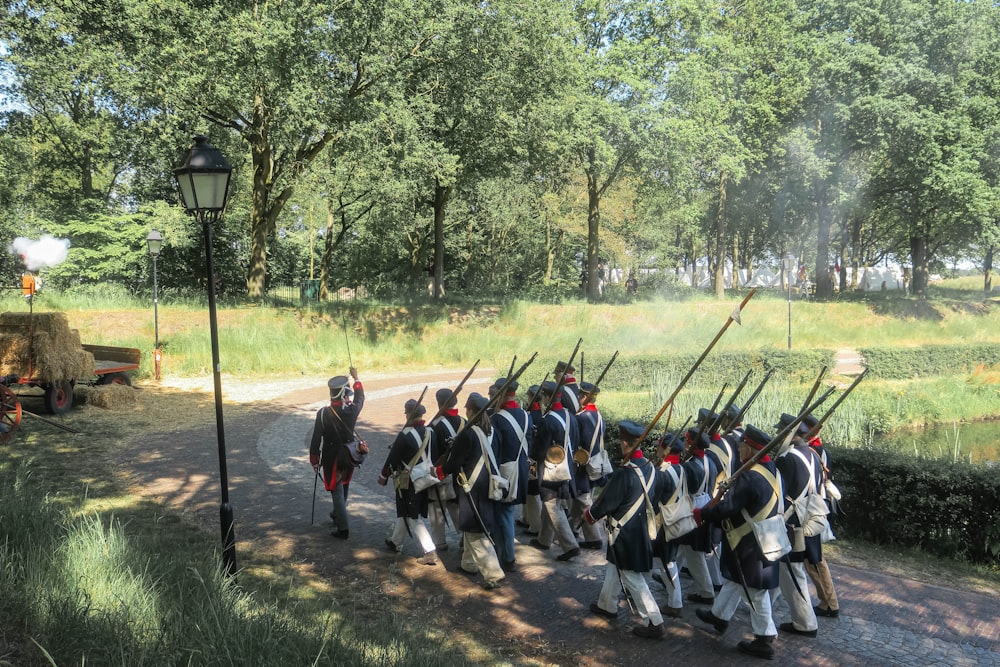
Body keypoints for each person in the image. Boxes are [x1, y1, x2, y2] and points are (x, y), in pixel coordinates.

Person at [694, 424, 781, 660]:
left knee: (754, 591)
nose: (739, 449)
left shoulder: (750, 477)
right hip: (762, 536)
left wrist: (703, 514)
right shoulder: (770, 469)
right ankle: (719, 616)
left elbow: (727, 508)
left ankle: (764, 639)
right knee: (736, 579)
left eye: (742, 446)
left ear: (750, 450)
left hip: (748, 541)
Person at [585, 420, 665, 639]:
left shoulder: (625, 473)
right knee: (615, 566)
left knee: (631, 578)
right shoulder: (650, 467)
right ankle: (607, 605)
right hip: (639, 528)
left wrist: (591, 514)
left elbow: (609, 501)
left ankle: (654, 621)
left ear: (624, 443)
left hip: (624, 532)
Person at [437, 393, 506, 590]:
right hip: (486, 485)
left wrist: (439, 470)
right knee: (470, 527)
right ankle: (468, 564)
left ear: (471, 410)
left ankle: (493, 574)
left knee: (476, 532)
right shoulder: (488, 431)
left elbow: (453, 464)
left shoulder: (467, 434)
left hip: (472, 488)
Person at [773, 413, 821, 639]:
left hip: (792, 521)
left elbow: (779, 492)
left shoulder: (786, 458)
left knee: (792, 572)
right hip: (808, 517)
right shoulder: (812, 454)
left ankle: (805, 622)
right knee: (783, 567)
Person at [377, 398, 438, 565]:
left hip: (410, 480)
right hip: (427, 478)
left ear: (409, 415)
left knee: (413, 516)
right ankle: (395, 542)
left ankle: (430, 550)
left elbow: (393, 459)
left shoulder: (404, 436)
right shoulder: (431, 432)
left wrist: (383, 477)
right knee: (406, 510)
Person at [309, 368, 365, 539]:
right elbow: (360, 398)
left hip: (331, 457)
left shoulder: (323, 413)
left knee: (337, 491)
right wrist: (357, 378)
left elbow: (316, 439)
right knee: (344, 484)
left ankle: (343, 528)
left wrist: (314, 459)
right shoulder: (352, 410)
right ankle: (337, 514)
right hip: (349, 454)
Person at [529, 380, 581, 561]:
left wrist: (532, 463)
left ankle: (570, 545)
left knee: (552, 505)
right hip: (569, 467)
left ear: (548, 397)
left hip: (552, 469)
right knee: (550, 503)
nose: (542, 399)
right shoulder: (570, 416)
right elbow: (575, 441)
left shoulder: (548, 420)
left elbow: (539, 450)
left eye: (543, 396)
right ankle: (544, 539)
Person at [801, 412, 841, 618]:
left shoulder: (814, 451)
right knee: (812, 559)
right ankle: (828, 601)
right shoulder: (818, 449)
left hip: (813, 508)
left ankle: (830, 602)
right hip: (816, 506)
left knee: (815, 559)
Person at [490, 378, 531, 572]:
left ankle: (507, 556)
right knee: (505, 514)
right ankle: (504, 553)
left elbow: (494, 449)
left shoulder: (497, 419)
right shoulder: (524, 414)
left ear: (500, 393)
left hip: (505, 471)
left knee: (504, 515)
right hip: (521, 468)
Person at [676, 425, 720, 606]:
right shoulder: (711, 460)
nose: (685, 443)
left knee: (692, 551)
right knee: (683, 547)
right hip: (705, 503)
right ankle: (670, 575)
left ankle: (707, 592)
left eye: (687, 440)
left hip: (692, 508)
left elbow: (684, 490)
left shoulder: (689, 466)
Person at [570, 381, 606, 549]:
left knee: (584, 499)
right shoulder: (599, 416)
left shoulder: (579, 418)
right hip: (595, 463)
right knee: (580, 499)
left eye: (580, 396)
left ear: (584, 397)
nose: (578, 398)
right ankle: (573, 528)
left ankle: (594, 538)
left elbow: (574, 442)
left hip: (581, 465)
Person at [428, 387, 463, 551]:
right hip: (461, 473)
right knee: (455, 505)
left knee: (436, 507)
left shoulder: (435, 425)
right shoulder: (464, 421)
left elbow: (432, 452)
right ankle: (464, 536)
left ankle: (439, 541)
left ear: (439, 402)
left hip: (443, 471)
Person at [517, 384, 544, 536]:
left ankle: (536, 526)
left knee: (533, 492)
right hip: (533, 458)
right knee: (528, 490)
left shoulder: (531, 415)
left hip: (532, 459)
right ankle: (526, 518)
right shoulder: (539, 413)